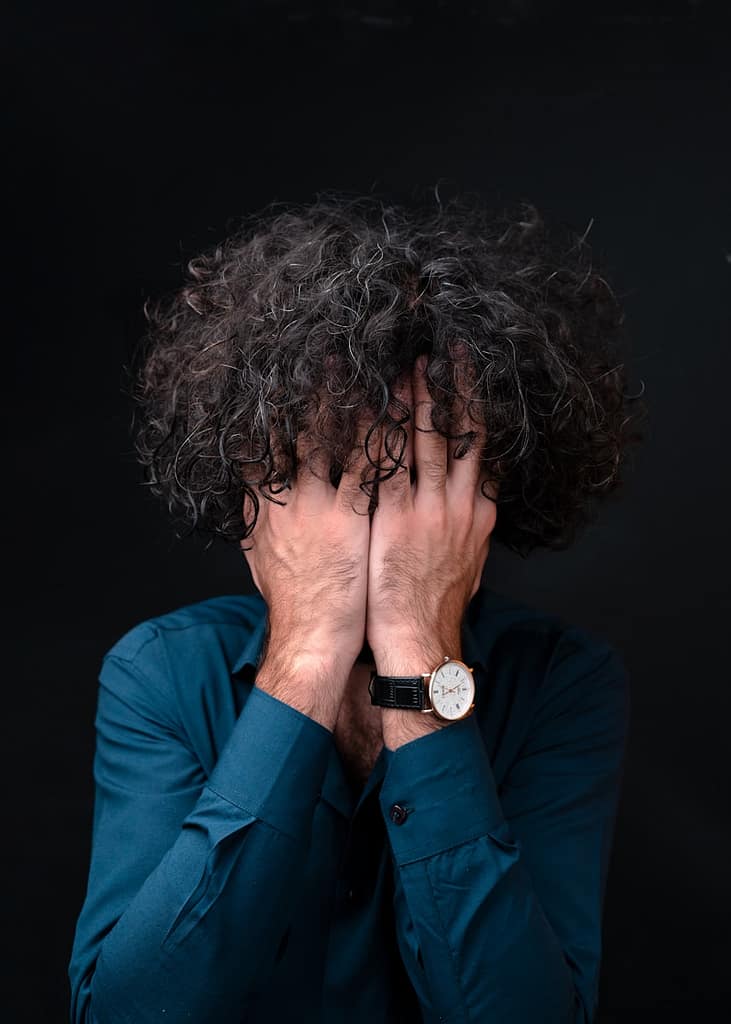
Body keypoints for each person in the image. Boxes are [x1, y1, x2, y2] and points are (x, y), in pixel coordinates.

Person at [68, 190, 645, 1023]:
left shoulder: (561, 683)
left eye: (415, 481)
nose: (374, 524)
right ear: (256, 505)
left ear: (480, 507)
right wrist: (305, 657)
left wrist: (416, 647)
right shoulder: (162, 674)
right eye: (334, 479)